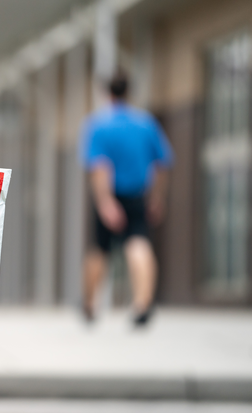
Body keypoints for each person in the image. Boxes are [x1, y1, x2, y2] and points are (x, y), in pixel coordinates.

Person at [79, 72, 173, 326]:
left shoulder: (98, 125)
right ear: (129, 92)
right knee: (138, 244)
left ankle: (89, 304)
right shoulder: (146, 123)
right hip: (138, 194)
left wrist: (105, 201)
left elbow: (100, 166)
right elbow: (161, 163)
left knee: (100, 249)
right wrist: (156, 197)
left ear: (107, 94)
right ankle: (143, 303)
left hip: (111, 193)